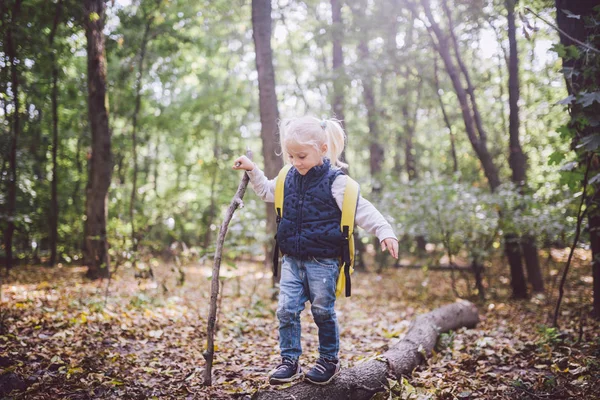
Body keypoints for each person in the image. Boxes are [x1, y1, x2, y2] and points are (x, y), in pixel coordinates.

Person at [232, 116, 398, 385]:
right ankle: (289, 361)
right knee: (286, 310)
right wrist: (252, 169)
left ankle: (329, 360)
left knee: (322, 311)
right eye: (291, 156)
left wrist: (385, 231)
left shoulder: (336, 182)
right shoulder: (288, 177)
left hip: (324, 262)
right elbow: (265, 191)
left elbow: (362, 209)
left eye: (302, 156)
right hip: (292, 260)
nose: (296, 162)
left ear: (322, 149)